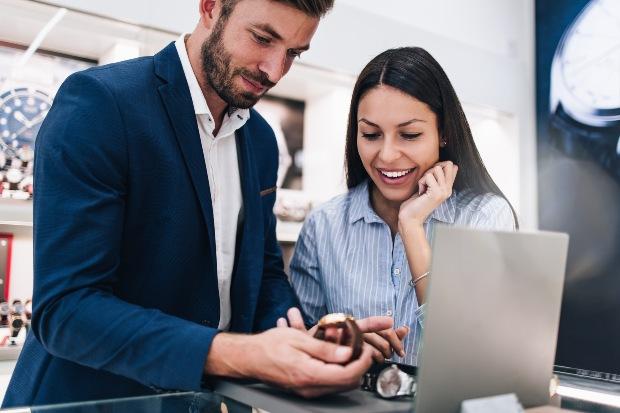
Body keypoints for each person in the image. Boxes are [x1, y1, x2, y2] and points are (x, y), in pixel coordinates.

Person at [2, 0, 397, 407]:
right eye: (263, 39)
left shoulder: (259, 140)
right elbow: (67, 310)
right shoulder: (101, 103)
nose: (275, 70)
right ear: (210, 7)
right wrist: (240, 354)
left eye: (294, 54)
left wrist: (308, 340)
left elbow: (261, 276)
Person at [290, 47, 518, 367]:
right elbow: (300, 347)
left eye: (409, 135)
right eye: (370, 134)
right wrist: (340, 342)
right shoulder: (323, 226)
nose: (386, 155)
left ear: (444, 134)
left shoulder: (484, 217)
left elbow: (467, 351)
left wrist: (412, 227)